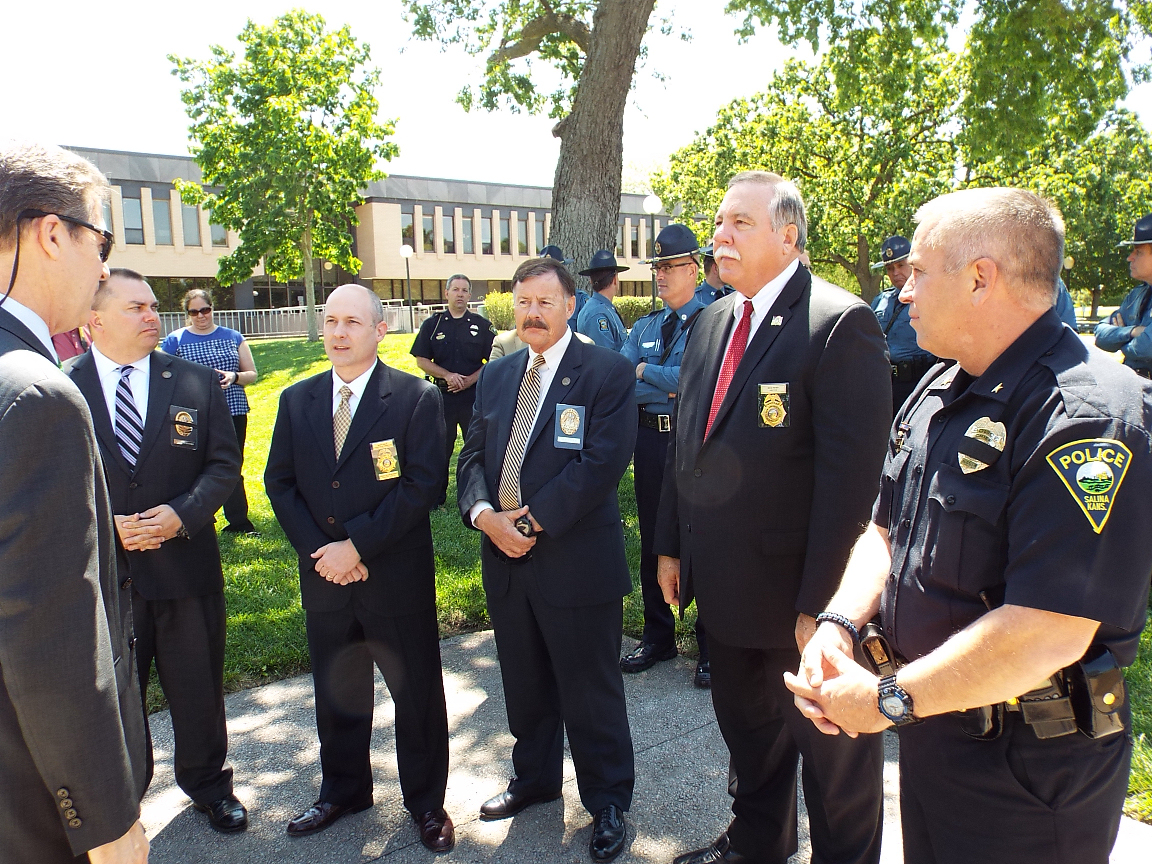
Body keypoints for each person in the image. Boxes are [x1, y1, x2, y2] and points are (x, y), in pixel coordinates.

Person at [786, 187, 1152, 864]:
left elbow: (1046, 631)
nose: (904, 291)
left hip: (1031, 773)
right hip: (936, 734)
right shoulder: (939, 390)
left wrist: (885, 701)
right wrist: (839, 623)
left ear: (981, 277)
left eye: (920, 271)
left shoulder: (1087, 417)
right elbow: (885, 531)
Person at [655, 171, 891, 864]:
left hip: (801, 604)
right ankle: (758, 844)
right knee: (750, 740)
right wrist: (670, 545)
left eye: (740, 223)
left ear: (788, 236)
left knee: (835, 765)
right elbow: (687, 445)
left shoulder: (839, 323)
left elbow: (854, 488)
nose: (719, 236)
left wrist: (826, 608)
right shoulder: (712, 322)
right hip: (725, 590)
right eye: (718, 222)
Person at [457, 257, 637, 863]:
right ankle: (534, 779)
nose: (533, 314)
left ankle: (607, 801)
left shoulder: (606, 372)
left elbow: (600, 465)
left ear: (569, 305)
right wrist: (485, 516)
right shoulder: (497, 375)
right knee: (524, 682)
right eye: (523, 303)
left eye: (545, 302)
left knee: (590, 690)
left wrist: (527, 525)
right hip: (506, 559)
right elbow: (472, 457)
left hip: (576, 563)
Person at [0, 141, 149, 864]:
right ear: (52, 233)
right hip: (32, 809)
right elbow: (51, 640)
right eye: (103, 242)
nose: (104, 269)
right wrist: (107, 823)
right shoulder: (36, 393)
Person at [265, 284, 454, 851]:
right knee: (337, 690)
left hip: (393, 578)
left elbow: (423, 485)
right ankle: (344, 790)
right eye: (330, 321)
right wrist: (323, 554)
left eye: (352, 322)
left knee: (416, 694)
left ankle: (427, 803)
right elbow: (279, 483)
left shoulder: (416, 398)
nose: (339, 333)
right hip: (325, 577)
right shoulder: (296, 400)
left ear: (380, 329)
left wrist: (357, 546)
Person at [70, 269, 246, 834]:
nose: (153, 316)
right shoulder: (60, 388)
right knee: (115, 699)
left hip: (186, 568)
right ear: (94, 320)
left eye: (153, 306)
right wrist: (105, 527)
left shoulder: (195, 381)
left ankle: (209, 785)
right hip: (104, 578)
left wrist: (182, 514)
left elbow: (224, 464)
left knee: (198, 686)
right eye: (136, 308)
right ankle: (123, 804)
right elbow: (48, 485)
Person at [619, 224, 710, 687]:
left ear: (693, 269)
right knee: (654, 536)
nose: (660, 274)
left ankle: (710, 645)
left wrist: (646, 371)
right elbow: (620, 381)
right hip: (651, 443)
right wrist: (663, 380)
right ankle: (658, 636)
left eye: (670, 266)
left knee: (702, 536)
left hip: (697, 444)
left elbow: (698, 381)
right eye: (657, 266)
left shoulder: (714, 321)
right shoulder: (645, 326)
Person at [162, 288, 260, 534]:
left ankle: (239, 521)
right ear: (187, 313)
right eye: (194, 312)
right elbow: (164, 376)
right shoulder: (175, 340)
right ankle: (196, 519)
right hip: (190, 413)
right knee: (190, 467)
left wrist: (234, 376)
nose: (201, 316)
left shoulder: (233, 337)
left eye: (205, 310)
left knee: (231, 465)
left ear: (212, 309)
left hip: (232, 410)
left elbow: (251, 374)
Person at [410, 274, 495, 505]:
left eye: (464, 290)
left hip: (472, 398)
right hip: (442, 398)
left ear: (469, 295)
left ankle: (477, 495)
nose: (460, 294)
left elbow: (494, 360)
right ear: (446, 293)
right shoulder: (433, 324)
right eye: (455, 289)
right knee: (439, 449)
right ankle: (436, 498)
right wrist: (447, 375)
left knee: (476, 448)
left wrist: (470, 380)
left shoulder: (481, 326)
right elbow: (421, 359)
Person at [871, 235, 938, 415]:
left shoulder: (930, 298)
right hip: (886, 383)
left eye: (901, 265)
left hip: (920, 381)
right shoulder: (880, 301)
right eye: (890, 268)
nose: (895, 273)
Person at [1095, 213, 1152, 379]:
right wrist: (1132, 331)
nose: (1129, 258)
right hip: (1134, 386)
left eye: (1138, 252)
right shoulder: (1136, 295)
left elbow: (1146, 347)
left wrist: (1120, 342)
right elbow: (1100, 334)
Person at [576, 249, 629, 350]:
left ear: (590, 281)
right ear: (614, 279)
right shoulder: (598, 313)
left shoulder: (601, 308)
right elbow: (606, 357)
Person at [695, 242, 733, 306]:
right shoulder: (694, 299)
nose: (731, 270)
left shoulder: (735, 295)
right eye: (727, 265)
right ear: (715, 268)